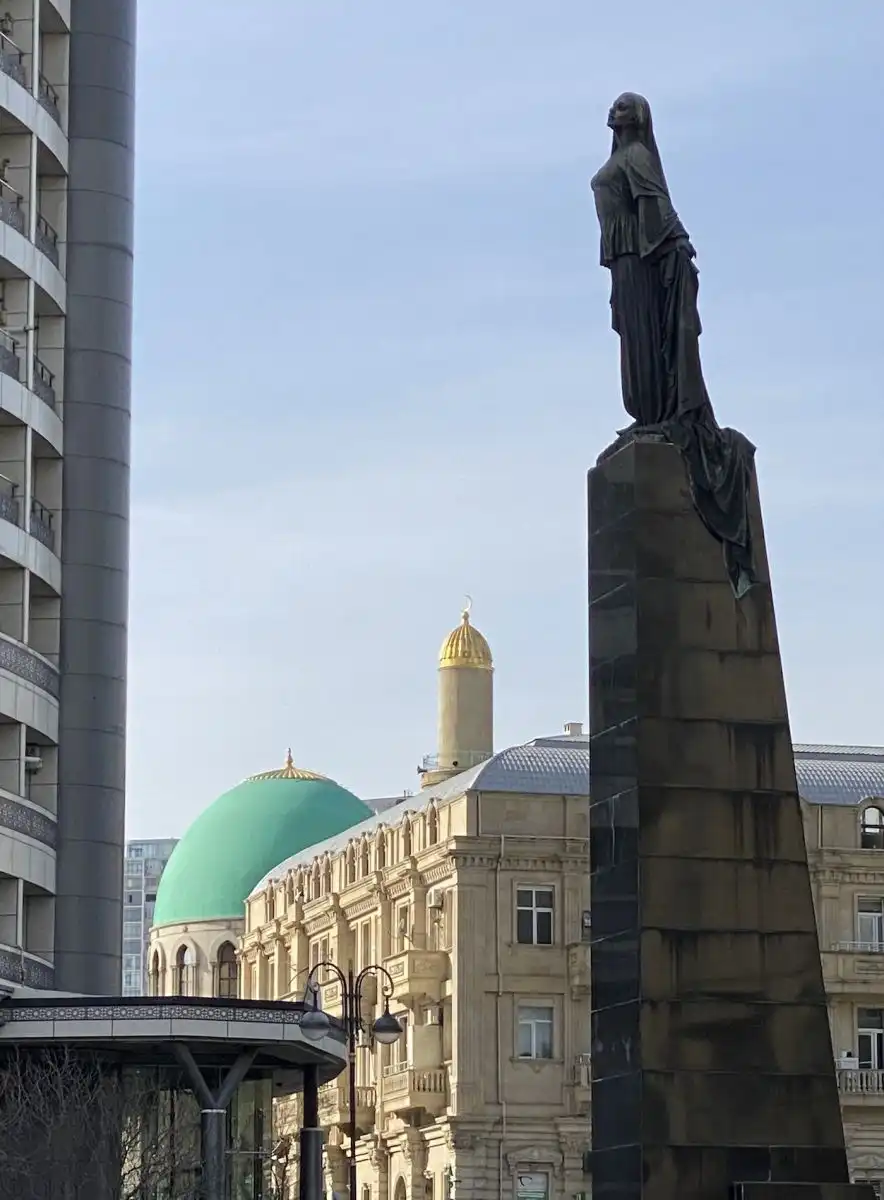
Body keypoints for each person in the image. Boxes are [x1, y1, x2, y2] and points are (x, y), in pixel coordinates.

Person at [590, 92, 756, 597]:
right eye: (614, 106)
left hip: (641, 265)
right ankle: (649, 417)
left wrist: (675, 250)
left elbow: (657, 211)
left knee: (644, 347)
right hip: (626, 264)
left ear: (637, 117)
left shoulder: (637, 159)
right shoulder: (622, 159)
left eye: (624, 106)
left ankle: (658, 414)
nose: (615, 110)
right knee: (633, 348)